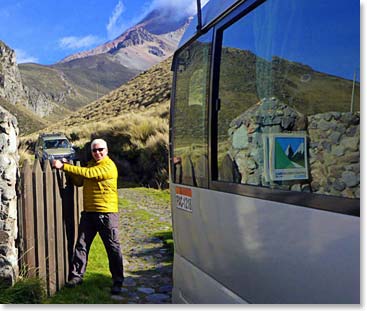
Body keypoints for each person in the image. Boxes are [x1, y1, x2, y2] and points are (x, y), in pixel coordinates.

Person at [52, 138, 124, 294]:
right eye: (94, 150)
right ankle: (77, 277)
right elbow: (80, 181)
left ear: (107, 150)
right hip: (89, 213)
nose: (97, 153)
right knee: (82, 246)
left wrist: (64, 166)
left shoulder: (108, 166)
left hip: (106, 214)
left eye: (101, 150)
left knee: (112, 248)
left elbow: (90, 174)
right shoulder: (91, 164)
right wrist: (68, 170)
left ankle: (118, 281)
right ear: (91, 152)